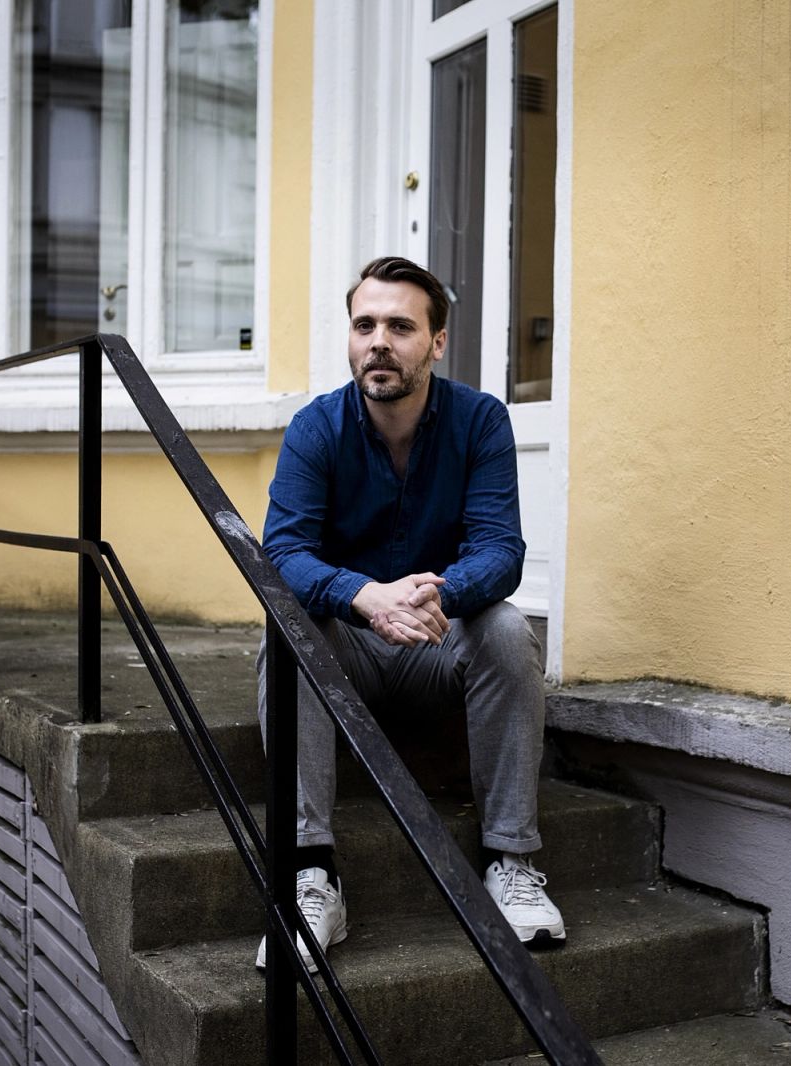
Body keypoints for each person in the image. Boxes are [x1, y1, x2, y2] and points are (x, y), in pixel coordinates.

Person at [254, 255, 563, 974]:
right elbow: (283, 553)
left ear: (437, 342)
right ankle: (311, 875)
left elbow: (502, 550)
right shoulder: (315, 428)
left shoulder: (479, 420)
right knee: (291, 630)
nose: (379, 343)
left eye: (400, 326)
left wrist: (432, 597)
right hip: (350, 653)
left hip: (436, 644)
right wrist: (366, 596)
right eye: (364, 325)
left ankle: (511, 863)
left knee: (508, 629)